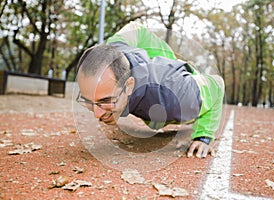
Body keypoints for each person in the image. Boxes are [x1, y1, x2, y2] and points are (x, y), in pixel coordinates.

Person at [76, 22, 225, 158]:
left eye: (106, 100)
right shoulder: (114, 49)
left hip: (172, 89)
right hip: (144, 77)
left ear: (129, 86)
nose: (97, 114)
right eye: (87, 101)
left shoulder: (170, 95)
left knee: (160, 119)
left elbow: (217, 85)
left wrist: (203, 136)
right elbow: (135, 27)